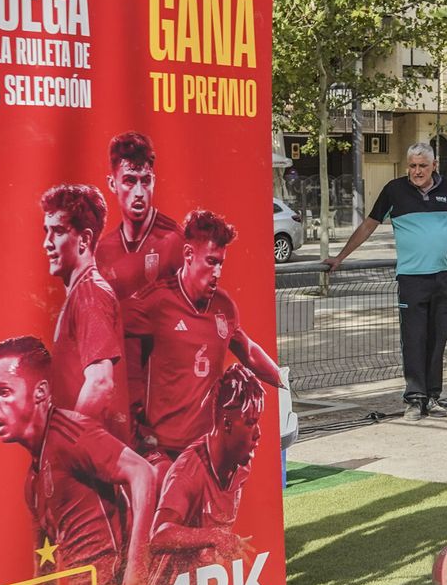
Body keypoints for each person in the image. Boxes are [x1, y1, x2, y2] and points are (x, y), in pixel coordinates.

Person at [0, 335, 157, 585]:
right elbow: (44, 564)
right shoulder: (32, 481)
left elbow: (143, 472)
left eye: (3, 392)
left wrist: (137, 564)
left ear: (40, 392)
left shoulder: (70, 433)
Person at [326, 142, 447, 422]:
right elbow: (368, 225)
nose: (417, 171)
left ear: (434, 165)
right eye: (412, 165)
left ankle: (432, 397)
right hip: (411, 279)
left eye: (423, 165)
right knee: (413, 339)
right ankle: (414, 398)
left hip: (445, 277)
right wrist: (340, 256)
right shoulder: (394, 191)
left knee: (439, 336)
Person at [126, 209, 283, 474]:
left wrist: (284, 380)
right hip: (161, 453)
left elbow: (248, 351)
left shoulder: (224, 306)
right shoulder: (153, 302)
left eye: (221, 262)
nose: (218, 271)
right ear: (188, 254)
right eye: (211, 261)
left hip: (205, 452)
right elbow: (124, 370)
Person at [134, 364, 265, 585]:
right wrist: (213, 537)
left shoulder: (242, 465)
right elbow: (160, 535)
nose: (258, 433)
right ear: (227, 423)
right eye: (251, 423)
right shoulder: (188, 472)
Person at [96, 132, 185, 438]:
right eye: (129, 180)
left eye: (145, 181)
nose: (138, 192)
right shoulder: (103, 250)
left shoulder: (174, 240)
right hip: (120, 401)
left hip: (165, 405)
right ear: (112, 183)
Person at [40, 183, 131, 442]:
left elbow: (100, 383)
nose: (47, 243)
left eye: (57, 232)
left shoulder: (90, 294)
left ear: (85, 239)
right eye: (46, 231)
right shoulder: (81, 293)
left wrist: (67, 448)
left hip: (93, 470)